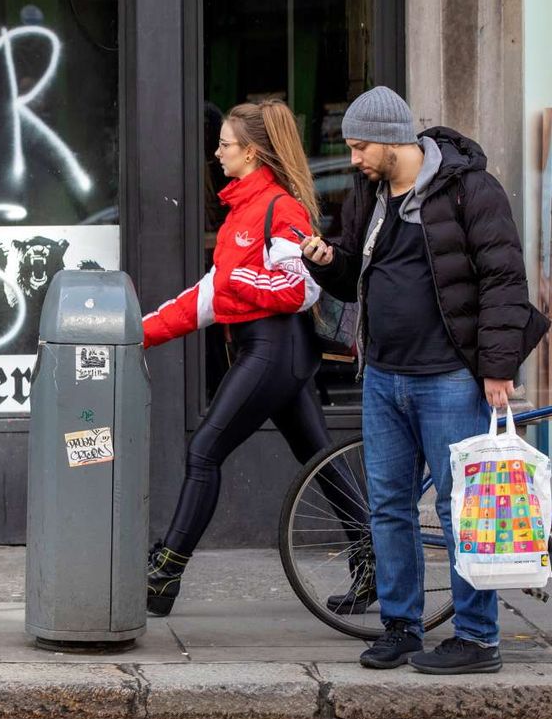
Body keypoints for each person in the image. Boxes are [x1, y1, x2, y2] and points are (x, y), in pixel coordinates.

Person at [302, 86, 550, 674]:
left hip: (448, 379)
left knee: (463, 508)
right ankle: (401, 627)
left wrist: (496, 369)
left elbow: (503, 281)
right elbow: (357, 277)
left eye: (361, 146)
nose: (355, 159)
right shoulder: (371, 196)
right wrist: (326, 259)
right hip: (384, 375)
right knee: (388, 507)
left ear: (392, 139)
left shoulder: (469, 189)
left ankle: (476, 637)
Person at [143, 99, 361, 616]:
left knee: (203, 452)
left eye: (225, 144)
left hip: (273, 350)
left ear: (253, 153)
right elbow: (205, 297)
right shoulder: (241, 210)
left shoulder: (279, 209)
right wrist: (136, 333)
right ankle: (374, 563)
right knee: (319, 461)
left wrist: (235, 283)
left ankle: (164, 574)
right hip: (267, 351)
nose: (216, 153)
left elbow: (297, 288)